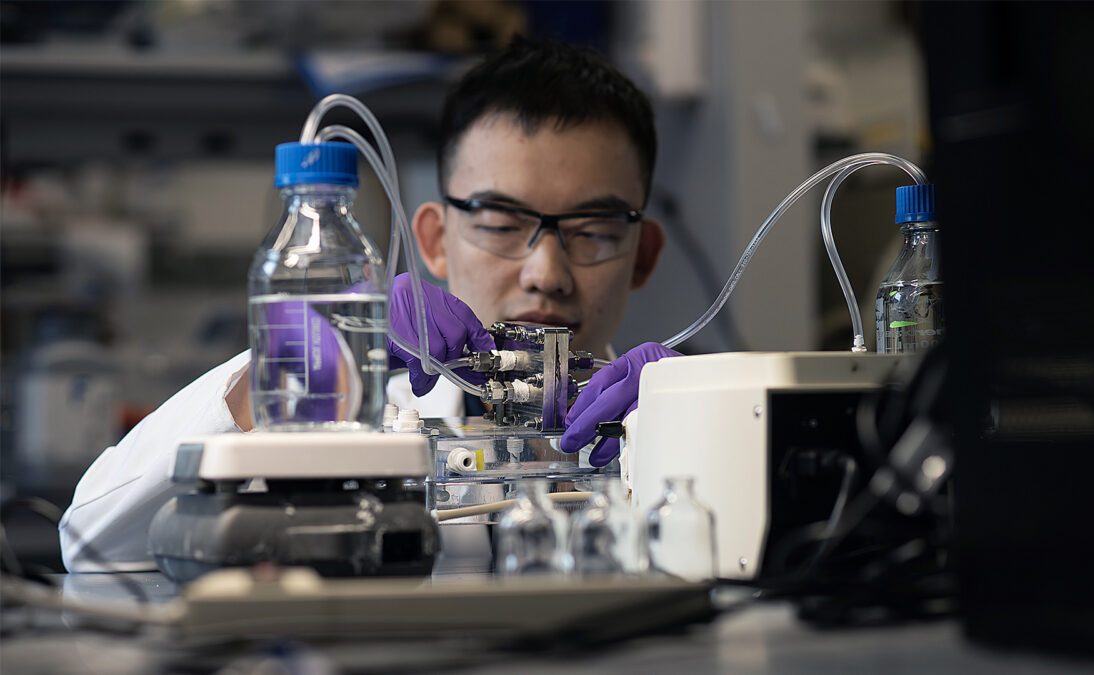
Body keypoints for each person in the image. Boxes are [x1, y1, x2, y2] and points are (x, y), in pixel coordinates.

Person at [59, 38, 682, 573]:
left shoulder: (678, 424)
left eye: (595, 230)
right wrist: (292, 370)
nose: (547, 274)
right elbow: (91, 542)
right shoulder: (357, 418)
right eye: (500, 222)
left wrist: (694, 428)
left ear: (644, 255)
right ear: (434, 240)